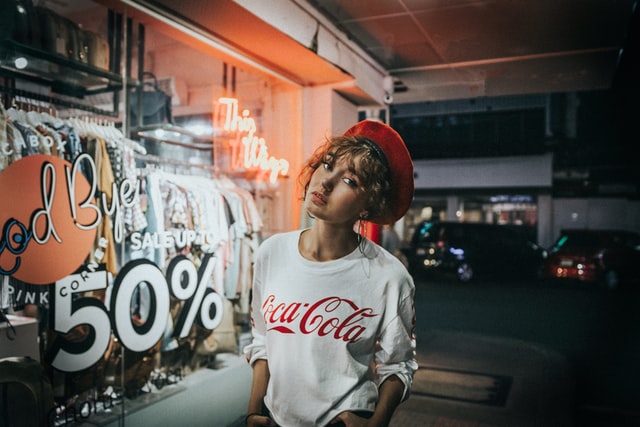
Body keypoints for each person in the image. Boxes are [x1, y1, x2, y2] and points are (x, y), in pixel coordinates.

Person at [244, 120, 417, 427]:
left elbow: (399, 364)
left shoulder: (390, 277)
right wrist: (253, 411)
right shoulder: (272, 253)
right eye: (326, 166)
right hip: (275, 419)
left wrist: (376, 422)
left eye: (350, 181)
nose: (324, 182)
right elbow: (262, 340)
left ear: (368, 205)